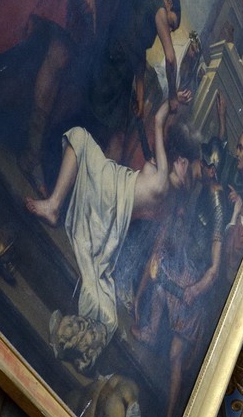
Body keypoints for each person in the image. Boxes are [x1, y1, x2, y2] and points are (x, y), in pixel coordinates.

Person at [26, 100, 194, 335]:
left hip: (112, 192)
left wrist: (171, 102)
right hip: (114, 191)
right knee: (81, 140)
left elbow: (158, 121)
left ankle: (54, 206)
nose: (181, 162)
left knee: (79, 137)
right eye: (181, 160)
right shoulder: (164, 182)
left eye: (184, 164)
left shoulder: (165, 179)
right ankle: (54, 205)